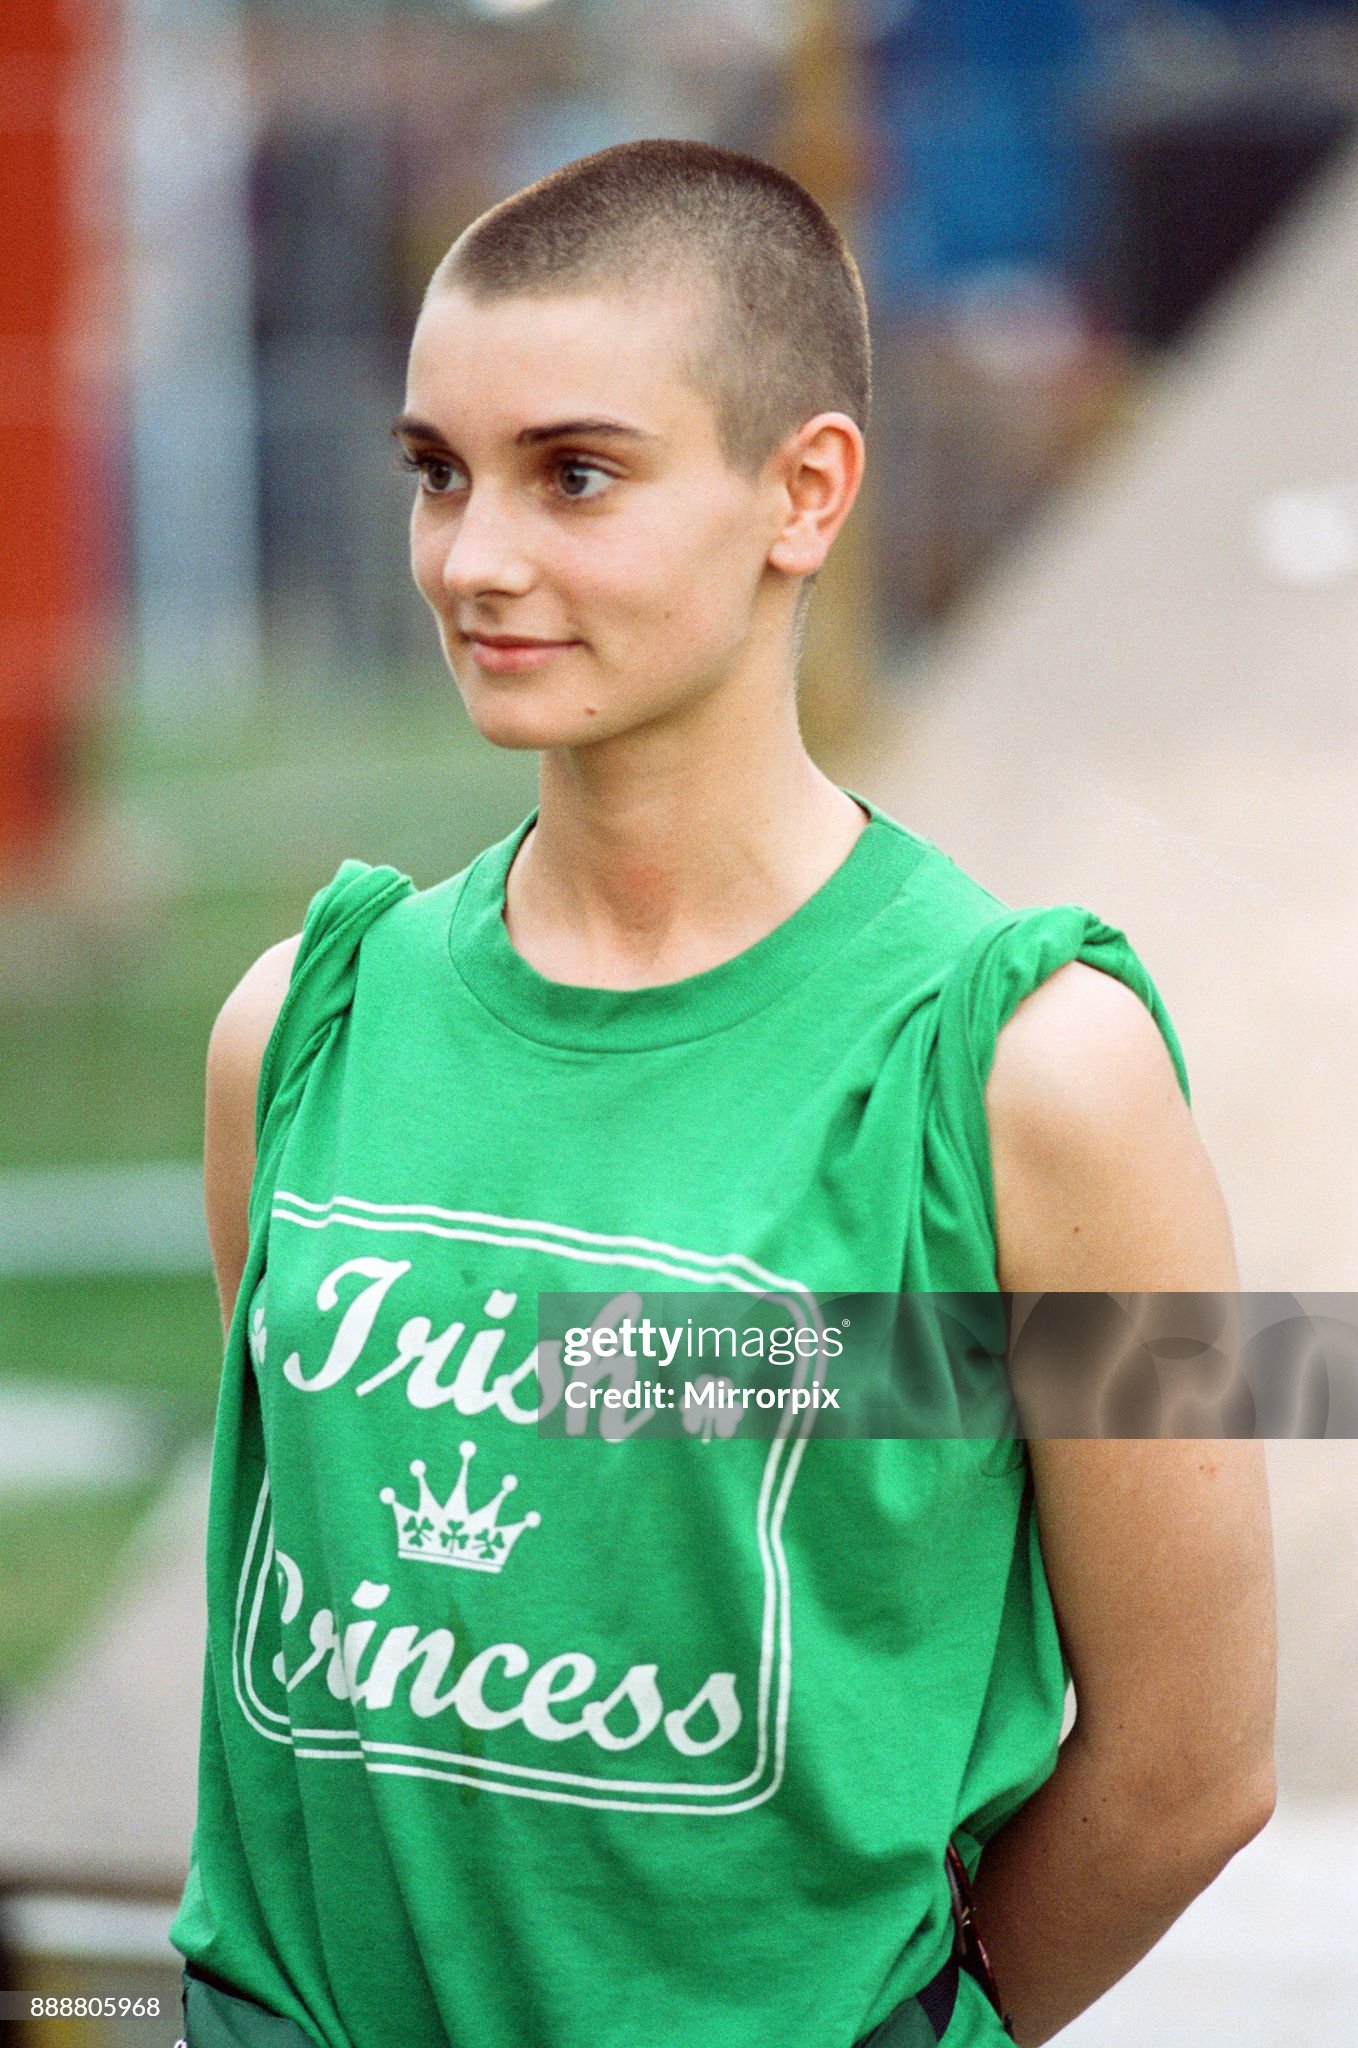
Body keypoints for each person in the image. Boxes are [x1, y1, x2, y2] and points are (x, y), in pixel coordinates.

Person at [169, 141, 1276, 2048]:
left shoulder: (1037, 1069)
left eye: (573, 474)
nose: (474, 557)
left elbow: (1192, 1766)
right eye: (436, 472)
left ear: (802, 491)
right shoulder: (297, 1029)